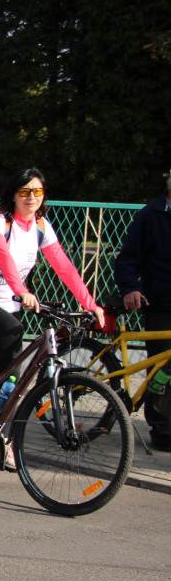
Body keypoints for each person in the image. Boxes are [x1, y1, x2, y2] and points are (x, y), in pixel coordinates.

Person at [0, 168, 105, 469]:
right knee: (13, 328)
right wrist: (21, 290)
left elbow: (63, 265)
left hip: (9, 304)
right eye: (24, 192)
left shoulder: (41, 226)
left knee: (13, 379)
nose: (31, 197)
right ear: (14, 194)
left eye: (37, 192)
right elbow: (3, 256)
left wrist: (90, 304)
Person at [114, 175, 171, 451]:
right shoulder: (151, 215)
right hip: (162, 304)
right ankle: (162, 429)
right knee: (161, 369)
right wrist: (130, 288)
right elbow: (127, 259)